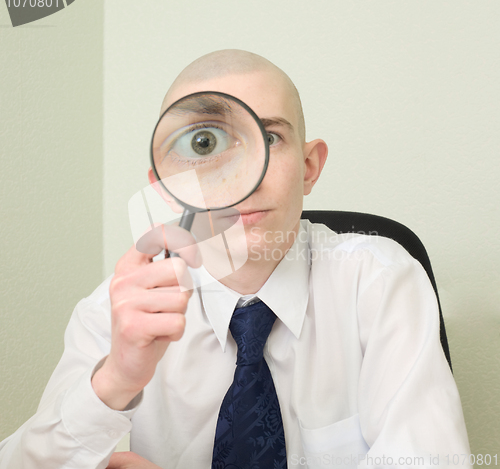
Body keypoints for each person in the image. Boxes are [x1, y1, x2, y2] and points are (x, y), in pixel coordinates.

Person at [0, 50, 471, 469]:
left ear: (309, 168)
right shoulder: (113, 312)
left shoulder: (383, 281)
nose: (239, 177)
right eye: (203, 144)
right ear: (164, 187)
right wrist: (116, 379)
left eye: (268, 139)